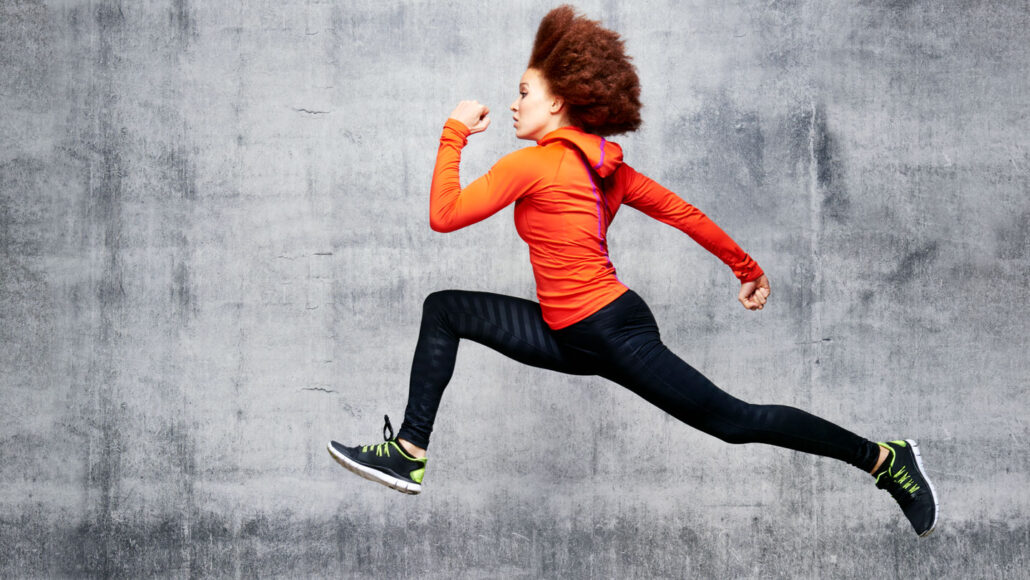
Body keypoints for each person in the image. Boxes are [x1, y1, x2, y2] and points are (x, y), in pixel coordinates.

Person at [328, 5, 939, 537]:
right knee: (445, 309)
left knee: (734, 422)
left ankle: (884, 458)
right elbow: (682, 212)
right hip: (569, 333)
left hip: (611, 332)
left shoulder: (533, 165)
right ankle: (408, 453)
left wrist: (455, 129)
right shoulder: (604, 170)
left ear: (557, 101)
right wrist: (744, 267)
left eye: (523, 92)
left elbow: (443, 215)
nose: (514, 104)